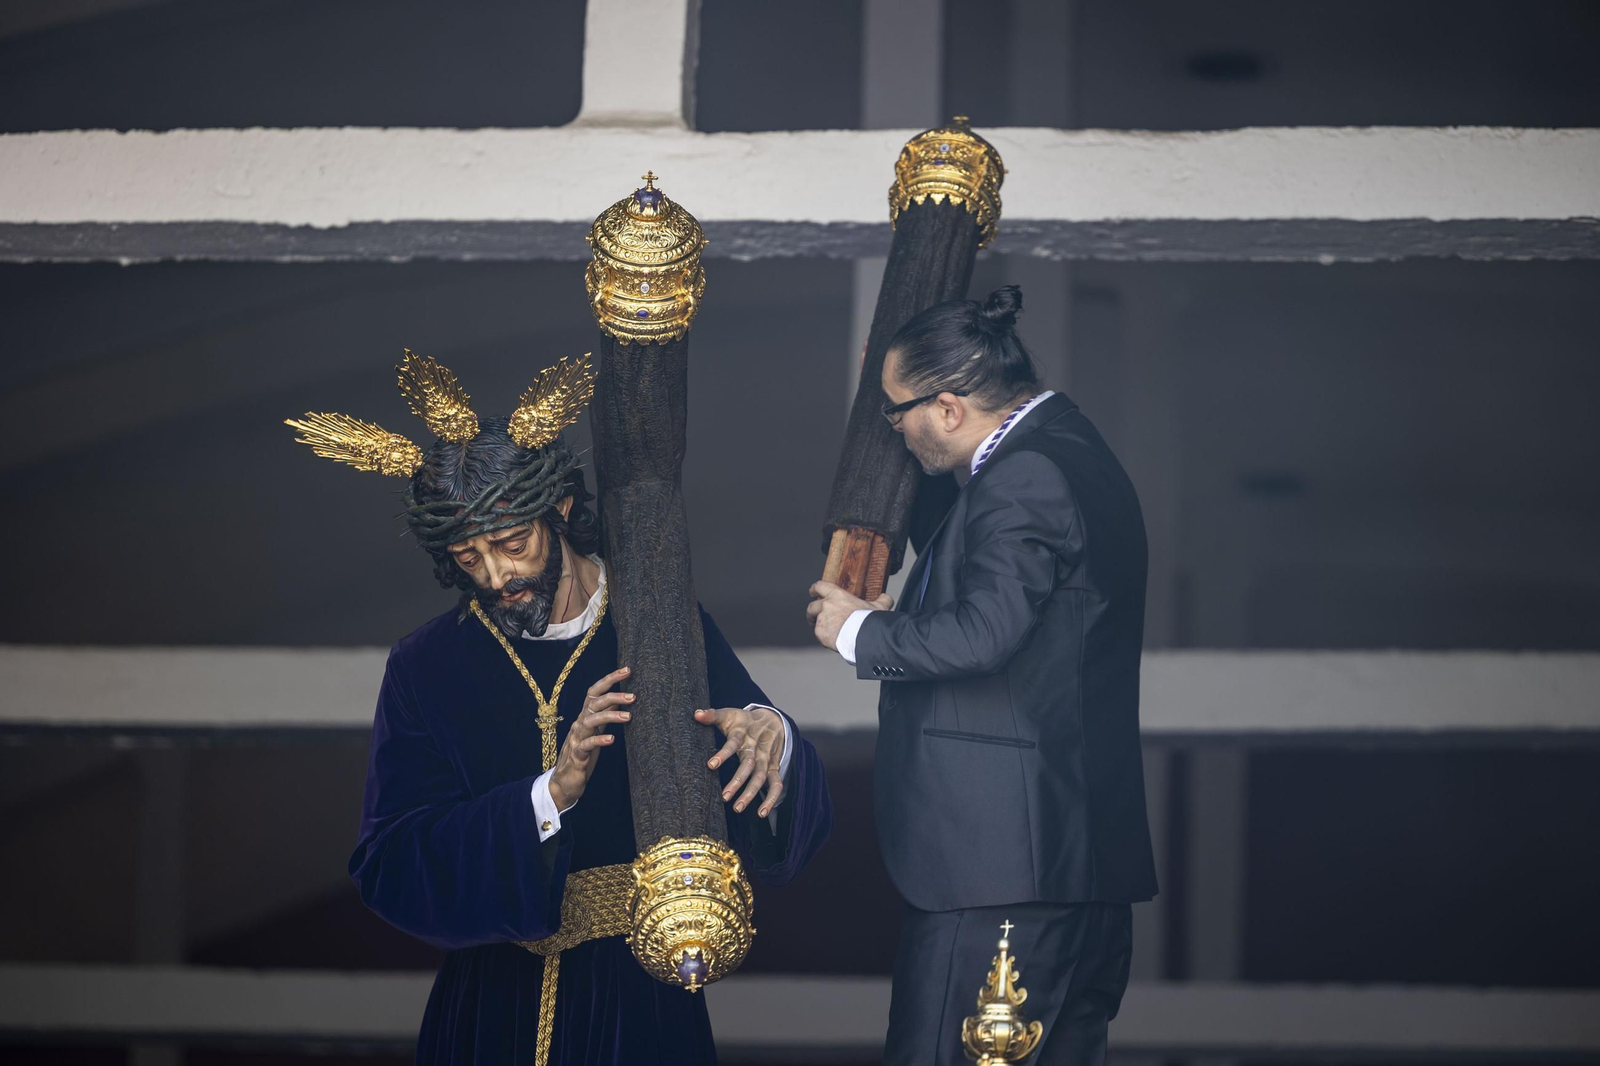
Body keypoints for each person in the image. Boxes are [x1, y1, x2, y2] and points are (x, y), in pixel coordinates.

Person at [288, 351, 831, 1066]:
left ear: (562, 510)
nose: (498, 575)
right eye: (469, 558)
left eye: (513, 544)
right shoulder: (427, 665)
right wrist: (549, 794)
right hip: (490, 1006)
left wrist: (775, 739)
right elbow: (390, 862)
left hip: (638, 996)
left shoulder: (660, 621)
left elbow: (766, 799)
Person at [808, 286, 1156, 1065]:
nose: (894, 431)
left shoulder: (1026, 479)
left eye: (898, 413)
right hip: (1067, 867)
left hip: (999, 875)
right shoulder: (1073, 456)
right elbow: (993, 574)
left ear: (951, 407)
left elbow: (985, 632)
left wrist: (858, 631)